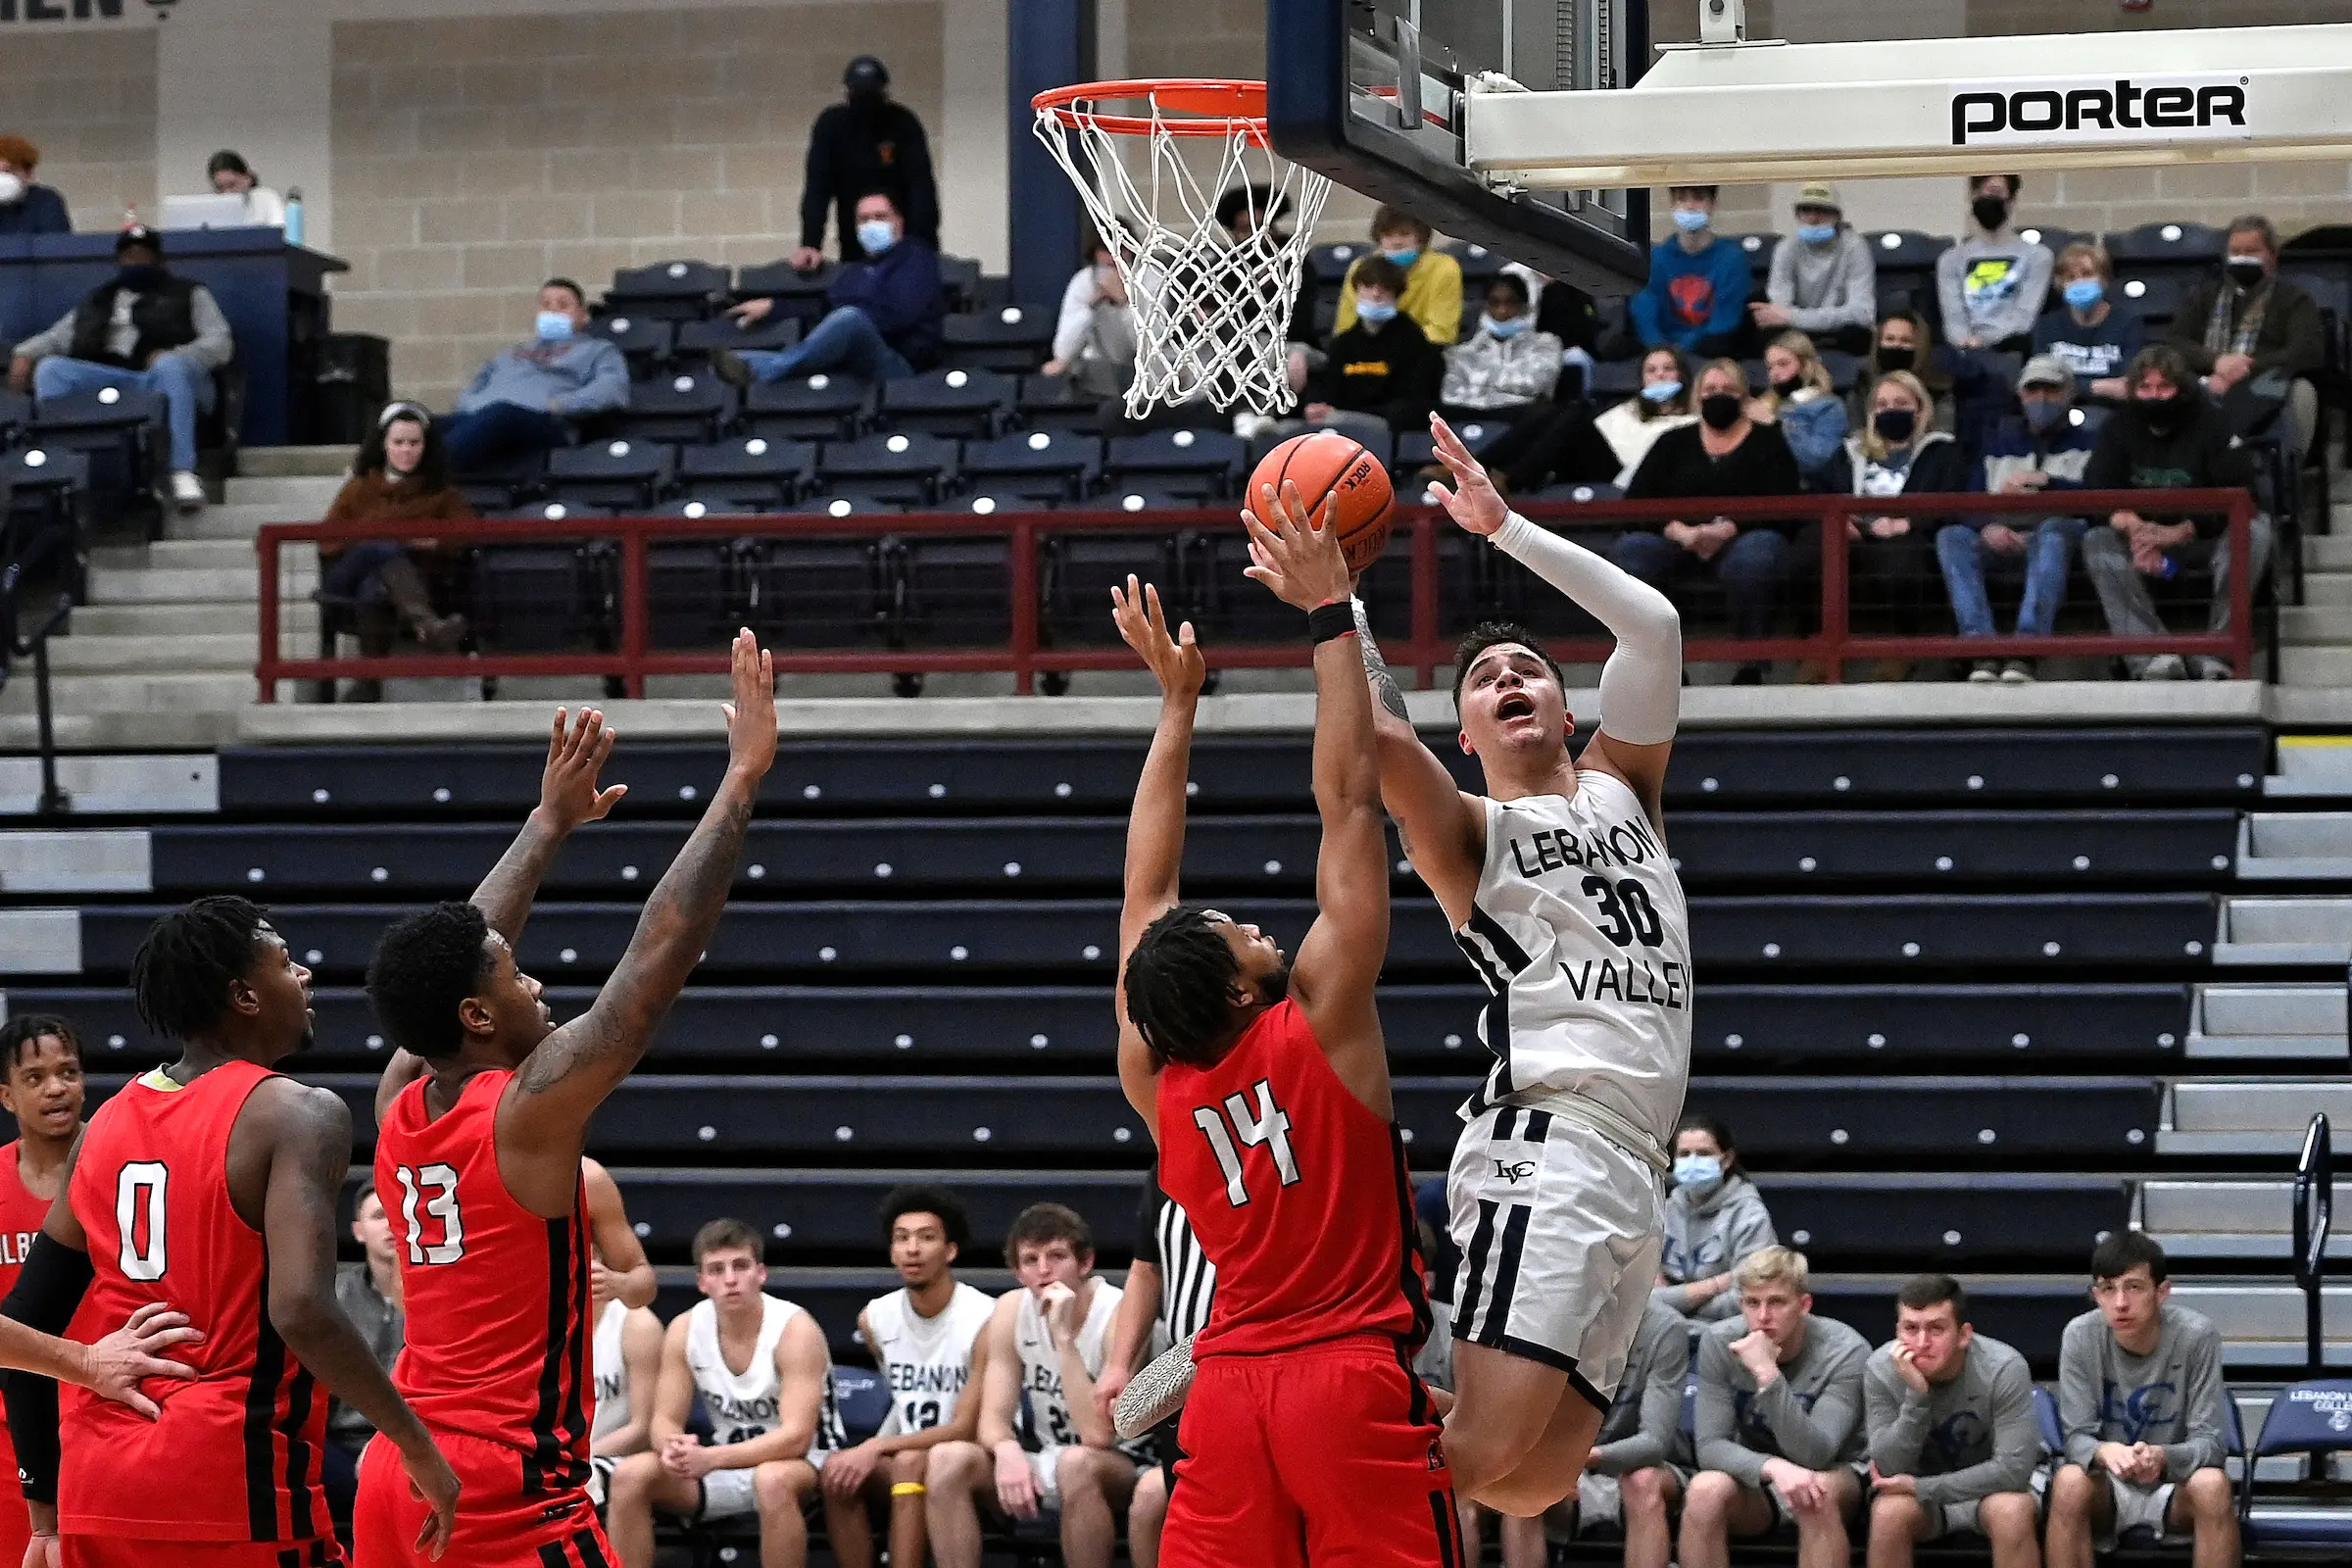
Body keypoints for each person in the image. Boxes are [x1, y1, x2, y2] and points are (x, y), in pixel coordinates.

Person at [352, 654, 780, 1568]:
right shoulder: (525, 1115)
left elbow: (457, 948)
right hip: (502, 1484)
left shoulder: (398, 1102)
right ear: (476, 1016)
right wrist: (740, 780)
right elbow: (660, 952)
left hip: (398, 1466)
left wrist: (548, 826)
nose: (535, 980)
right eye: (514, 977)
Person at [1107, 470, 1455, 1568]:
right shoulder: (1321, 1018)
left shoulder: (1155, 1076)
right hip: (1347, 1378)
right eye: (1239, 931)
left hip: (1226, 1398)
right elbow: (1349, 799)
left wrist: (1177, 709)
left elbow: (1142, 902)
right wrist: (1326, 612)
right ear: (1240, 988)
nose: (1254, 920)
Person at [1353, 416, 1688, 1515]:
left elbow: (1654, 626)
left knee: (1530, 1484)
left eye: (1530, 669)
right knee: (1475, 1452)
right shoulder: (1468, 829)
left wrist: (1507, 528)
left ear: (1564, 705)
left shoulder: (1622, 789)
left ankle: (1310, 1379)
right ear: (1468, 731)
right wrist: (1335, 609)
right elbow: (1381, 744)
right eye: (1485, 677)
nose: (1511, 678)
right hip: (1548, 1143)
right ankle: (1272, 1398)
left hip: (1639, 1164)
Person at [0, 898, 461, 1568]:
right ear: (244, 994)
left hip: (99, 1485)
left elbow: (25, 1313)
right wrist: (417, 1446)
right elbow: (303, 1309)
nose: (304, 975)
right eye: (284, 961)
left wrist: (44, 1508)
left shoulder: (103, 1128)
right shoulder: (296, 1112)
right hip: (232, 1484)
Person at [605, 1219, 841, 1568]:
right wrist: (673, 1446)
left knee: (771, 1479)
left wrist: (712, 1459)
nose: (730, 1279)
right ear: (702, 1282)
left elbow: (797, 1438)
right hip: (726, 1464)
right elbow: (664, 1419)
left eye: (740, 1266)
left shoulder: (794, 1329)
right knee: (630, 1475)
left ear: (761, 1274)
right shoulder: (685, 1328)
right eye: (717, 1269)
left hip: (806, 1465)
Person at [926, 1205, 1133, 1568]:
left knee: (1077, 1463)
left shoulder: (1117, 1313)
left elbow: (1098, 1435)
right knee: (947, 1459)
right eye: (1030, 1260)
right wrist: (1007, 1451)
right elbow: (992, 1418)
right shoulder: (1010, 1309)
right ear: (1017, 1272)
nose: (1043, 1270)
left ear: (1085, 1263)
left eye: (1057, 1256)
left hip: (1127, 1462)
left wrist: (1063, 1338)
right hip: (1055, 1457)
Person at [826, 1185, 998, 1568]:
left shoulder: (985, 1318)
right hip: (905, 1449)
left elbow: (966, 1427)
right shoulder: (875, 1318)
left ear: (950, 1250)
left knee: (910, 1462)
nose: (912, 1249)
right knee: (835, 1472)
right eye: (901, 1238)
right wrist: (875, 1448)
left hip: (973, 1457)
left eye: (926, 1237)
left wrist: (877, 1447)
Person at [7, 224, 233, 513]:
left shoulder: (189, 293)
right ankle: (58, 469)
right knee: (52, 370)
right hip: (117, 378)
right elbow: (57, 338)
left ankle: (181, 473)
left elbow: (221, 342)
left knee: (170, 368)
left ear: (159, 260)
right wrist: (25, 353)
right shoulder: (100, 299)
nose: (135, 262)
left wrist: (177, 354)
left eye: (142, 256)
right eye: (129, 257)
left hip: (170, 378)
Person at [2079, 344, 2268, 681]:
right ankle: (2151, 656)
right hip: (2141, 541)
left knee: (2253, 531)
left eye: (2164, 388)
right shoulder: (2116, 427)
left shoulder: (2213, 422)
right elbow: (2096, 491)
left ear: (2181, 390)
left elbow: (2242, 494)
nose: (2155, 397)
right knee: (2097, 540)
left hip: (2201, 539)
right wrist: (2134, 527)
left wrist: (2181, 531)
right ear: (2133, 392)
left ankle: (2218, 653)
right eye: (2146, 388)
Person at [2046, 1233, 2235, 1568]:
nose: (2120, 1303)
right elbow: (2075, 1439)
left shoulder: (2197, 1335)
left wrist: (2163, 1457)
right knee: (2069, 1481)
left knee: (2213, 1484)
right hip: (2108, 1487)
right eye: (2108, 1289)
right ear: (2096, 1296)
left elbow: (2211, 1444)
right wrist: (2104, 1452)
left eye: (2133, 1287)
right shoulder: (2079, 1335)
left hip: (2175, 1487)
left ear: (2162, 1292)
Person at [1683, 1248, 1870, 1568]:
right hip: (1760, 1479)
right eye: (1752, 1303)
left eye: (1776, 1302)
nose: (1763, 1316)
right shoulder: (1720, 1342)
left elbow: (1816, 1454)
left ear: (1804, 1305)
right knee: (1704, 1490)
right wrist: (1775, 1468)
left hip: (1837, 1474)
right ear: (1741, 1304)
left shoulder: (1846, 1351)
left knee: (1817, 1490)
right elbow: (1710, 1447)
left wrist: (1768, 1375)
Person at [1617, 359, 1801, 673]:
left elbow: (1786, 504)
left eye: (1728, 389)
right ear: (1697, 396)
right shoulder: (1672, 442)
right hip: (1678, 538)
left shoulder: (1767, 441)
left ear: (1744, 396)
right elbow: (1635, 501)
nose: (1719, 395)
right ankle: (1659, 668)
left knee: (1757, 555)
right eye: (1711, 389)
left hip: (1742, 538)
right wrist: (1677, 530)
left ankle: (1752, 664)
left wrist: (1728, 529)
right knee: (1633, 551)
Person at [1863, 1274, 2040, 1568]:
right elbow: (1888, 1467)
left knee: (2011, 1511)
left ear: (1963, 1335)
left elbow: (2013, 1471)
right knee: (1888, 1513)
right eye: (1910, 1329)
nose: (1922, 1343)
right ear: (1897, 1331)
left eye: (1936, 1329)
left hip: (1992, 1490)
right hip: (1917, 1497)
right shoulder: (1881, 1369)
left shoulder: (2004, 1368)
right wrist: (1917, 1395)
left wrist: (1924, 1488)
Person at [1939, 354, 2097, 683]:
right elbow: (1969, 500)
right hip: (2001, 538)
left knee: (2054, 532)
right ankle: (1979, 647)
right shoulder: (1997, 442)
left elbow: (2096, 501)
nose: (2041, 398)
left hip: (2057, 541)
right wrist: (1987, 526)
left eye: (2052, 390)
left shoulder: (2091, 444)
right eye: (2033, 390)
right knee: (1952, 536)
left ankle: (2027, 647)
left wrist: (2051, 485)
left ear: (2069, 395)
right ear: (2021, 395)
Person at [0, 1015, 87, 1565]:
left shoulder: (123, 1168)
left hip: (102, 1417)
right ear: (7, 1097)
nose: (57, 1088)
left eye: (69, 1072)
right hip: (10, 1432)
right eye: (35, 1078)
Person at [1096, 1167, 1213, 1568]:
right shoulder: (1164, 1168)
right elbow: (1146, 1270)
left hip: (1254, 1371)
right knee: (1188, 1526)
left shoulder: (1268, 1150)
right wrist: (1118, 1365)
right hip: (1181, 1384)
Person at [318, 403, 470, 699]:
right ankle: (428, 625)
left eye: (414, 443)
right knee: (379, 547)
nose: (406, 450)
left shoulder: (442, 493)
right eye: (398, 442)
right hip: (344, 580)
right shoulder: (358, 489)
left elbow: (466, 534)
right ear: (384, 445)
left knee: (373, 588)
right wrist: (390, 541)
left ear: (426, 446)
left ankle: (369, 685)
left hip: (410, 582)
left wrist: (436, 543)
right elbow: (327, 540)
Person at [715, 191, 943, 387]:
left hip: (897, 366)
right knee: (726, 363)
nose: (871, 225)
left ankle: (770, 370)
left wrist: (852, 319)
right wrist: (774, 307)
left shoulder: (915, 257)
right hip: (848, 363)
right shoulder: (854, 272)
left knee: (850, 318)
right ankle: (760, 368)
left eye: (880, 217)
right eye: (863, 220)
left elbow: (901, 314)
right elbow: (823, 316)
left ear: (898, 222)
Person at [2167, 214, 2327, 458]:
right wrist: (2217, 362)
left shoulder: (2294, 299)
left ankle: (2283, 477)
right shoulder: (2204, 296)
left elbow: (2307, 351)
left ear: (2272, 256)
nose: (2242, 257)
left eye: (2251, 251)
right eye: (2236, 251)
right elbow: (2175, 342)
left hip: (2265, 385)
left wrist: (2245, 368)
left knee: (2302, 391)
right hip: (2208, 381)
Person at [1549, 1298, 1694, 1568]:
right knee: (1523, 1479)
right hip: (1570, 1467)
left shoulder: (1664, 1327)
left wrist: (1578, 1458)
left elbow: (1655, 1442)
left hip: (1640, 1465)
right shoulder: (1552, 1320)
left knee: (1643, 1481)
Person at [438, 278, 628, 473]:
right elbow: (470, 391)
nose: (552, 311)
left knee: (502, 413)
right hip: (482, 418)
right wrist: (475, 407)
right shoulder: (509, 354)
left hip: (546, 423)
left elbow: (612, 390)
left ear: (582, 315)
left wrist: (559, 404)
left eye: (563, 305)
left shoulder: (598, 350)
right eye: (546, 305)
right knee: (422, 426)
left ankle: (430, 475)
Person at [1456, 346, 1691, 498]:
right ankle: (1474, 464)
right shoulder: (1627, 409)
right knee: (1552, 412)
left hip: (1622, 476)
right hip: (1588, 463)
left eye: (1668, 369)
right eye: (1651, 370)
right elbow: (1596, 434)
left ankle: (1511, 481)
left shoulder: (1692, 420)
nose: (1659, 375)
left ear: (1681, 375)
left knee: (1577, 412)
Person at [1279, 256, 1446, 445]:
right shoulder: (1342, 343)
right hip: (1338, 421)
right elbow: (1328, 387)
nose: (1376, 294)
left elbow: (1412, 405)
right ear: (1357, 291)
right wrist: (1315, 405)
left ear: (1397, 294)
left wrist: (1349, 414)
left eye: (1384, 289)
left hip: (1386, 426)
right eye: (1368, 287)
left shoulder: (1415, 343)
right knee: (1285, 431)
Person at [793, 56, 939, 267]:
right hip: (853, 236)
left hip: (905, 237)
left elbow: (921, 189)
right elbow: (817, 190)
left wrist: (922, 248)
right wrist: (810, 244)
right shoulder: (832, 126)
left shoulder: (903, 124)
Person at [326, 1177, 405, 1531]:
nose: (390, 1224)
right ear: (358, 1232)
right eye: (378, 1215)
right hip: (341, 1444)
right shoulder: (331, 1299)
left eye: (399, 1214)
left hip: (413, 1442)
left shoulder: (443, 1297)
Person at [1658, 1112, 1778, 1324]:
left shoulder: (1749, 1215)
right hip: (1666, 1329)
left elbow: (1752, 1296)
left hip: (1725, 1331)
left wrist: (1677, 1304)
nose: (1693, 1161)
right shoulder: (1664, 1210)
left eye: (1704, 1153)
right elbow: (1642, 1295)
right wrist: (1713, 1286)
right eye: (1684, 1154)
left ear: (1727, 1159)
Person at [1753, 182, 1877, 357]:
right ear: (1798, 215)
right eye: (1806, 210)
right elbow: (1779, 310)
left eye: (1821, 211)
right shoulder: (1786, 248)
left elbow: (1862, 313)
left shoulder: (1855, 247)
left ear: (1837, 216)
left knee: (1857, 334)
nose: (1813, 218)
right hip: (1799, 333)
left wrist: (1794, 317)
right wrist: (1792, 318)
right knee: (1767, 334)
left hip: (1838, 332)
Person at [585, 1237, 662, 1514]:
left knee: (573, 1483)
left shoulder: (637, 1325)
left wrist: (580, 1457)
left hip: (618, 1456)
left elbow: (642, 1429)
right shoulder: (538, 1324)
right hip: (562, 1457)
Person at [1631, 185, 1751, 359]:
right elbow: (1644, 312)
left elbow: (1724, 321)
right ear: (1672, 204)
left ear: (1712, 204)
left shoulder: (1732, 259)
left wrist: (1679, 351)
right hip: (1659, 353)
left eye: (1698, 198)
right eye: (1682, 199)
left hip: (1712, 352)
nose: (1690, 206)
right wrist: (1661, 351)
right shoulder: (1655, 259)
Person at [1935, 176, 2052, 354]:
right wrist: (1966, 342)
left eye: (1995, 192)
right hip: (1965, 352)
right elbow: (1953, 315)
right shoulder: (1951, 259)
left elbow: (2024, 317)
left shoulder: (2037, 256)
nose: (1986, 197)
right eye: (1980, 193)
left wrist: (1984, 341)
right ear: (1972, 198)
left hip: (2013, 349)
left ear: (2012, 201)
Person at [1440, 272, 1565, 423]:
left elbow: (1535, 385)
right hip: (1471, 421)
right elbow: (1450, 398)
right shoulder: (1462, 353)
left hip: (1521, 422)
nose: (1502, 311)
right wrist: (1506, 392)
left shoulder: (1546, 344)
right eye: (1495, 302)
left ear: (1525, 307)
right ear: (1485, 306)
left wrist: (1481, 384)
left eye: (1511, 302)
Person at [1331, 206, 1464, 345]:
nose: (1396, 242)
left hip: (1422, 352)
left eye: (1405, 234)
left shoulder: (1444, 268)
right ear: (1379, 239)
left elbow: (1441, 332)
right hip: (1364, 352)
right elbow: (1344, 328)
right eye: (1388, 235)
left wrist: (1391, 346)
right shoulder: (1360, 268)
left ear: (1421, 238)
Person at [2033, 242, 2141, 402]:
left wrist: (2070, 386)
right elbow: (2044, 382)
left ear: (2104, 279)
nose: (2079, 282)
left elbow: (2126, 385)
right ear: (2061, 284)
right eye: (2071, 277)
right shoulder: (2046, 325)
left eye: (2087, 274)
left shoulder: (2128, 323)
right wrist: (2098, 387)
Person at [1746, 330, 1849, 487]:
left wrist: (1776, 425)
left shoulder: (1829, 407)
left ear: (1805, 365)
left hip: (1806, 492)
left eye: (1783, 364)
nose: (1775, 374)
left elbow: (1816, 460)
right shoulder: (1764, 405)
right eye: (1770, 368)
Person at [1042, 232, 1137, 401]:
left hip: (1139, 374)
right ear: (1095, 254)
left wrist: (1124, 304)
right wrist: (1091, 307)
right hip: (1094, 374)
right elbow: (1062, 351)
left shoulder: (1149, 280)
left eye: (1121, 249)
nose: (1113, 257)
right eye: (1106, 250)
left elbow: (1142, 347)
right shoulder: (1083, 281)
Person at [1851, 312, 1951, 434]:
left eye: (1906, 340)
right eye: (1889, 339)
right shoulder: (1862, 385)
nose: (1897, 345)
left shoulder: (1939, 391)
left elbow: (1943, 434)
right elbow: (1857, 433)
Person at [0, 136, 70, 235]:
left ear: (28, 175)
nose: (3, 177)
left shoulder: (45, 200)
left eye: (9, 171)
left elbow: (55, 243)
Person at [206, 150, 287, 228]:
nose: (227, 193)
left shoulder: (267, 198)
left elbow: (280, 230)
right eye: (220, 188)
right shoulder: (213, 208)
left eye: (232, 185)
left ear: (247, 179)